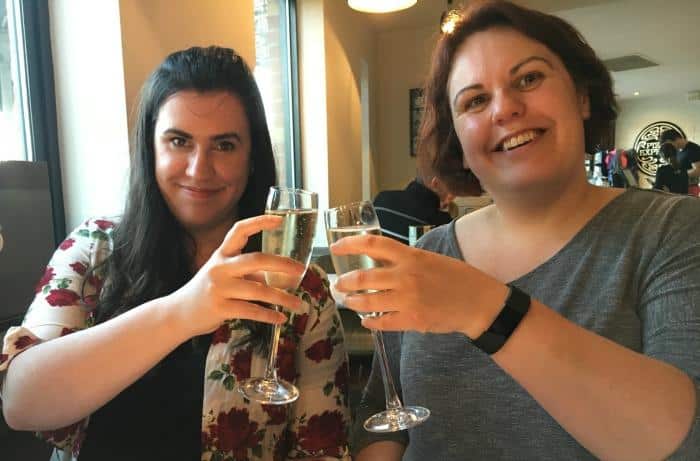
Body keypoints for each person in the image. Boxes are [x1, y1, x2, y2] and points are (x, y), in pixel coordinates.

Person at [330, 2, 700, 460]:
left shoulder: (671, 230)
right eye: (475, 100)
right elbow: (383, 413)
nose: (505, 109)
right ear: (460, 146)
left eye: (528, 79)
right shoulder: (430, 252)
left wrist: (484, 307)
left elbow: (687, 440)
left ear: (582, 96)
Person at [0, 46, 350, 461]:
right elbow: (22, 403)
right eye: (179, 141)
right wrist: (185, 310)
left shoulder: (299, 285)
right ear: (150, 149)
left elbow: (323, 450)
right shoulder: (94, 249)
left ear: (252, 158)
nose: (199, 169)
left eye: (224, 145)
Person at [373, 168, 455, 243]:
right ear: (436, 184)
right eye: (452, 188)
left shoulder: (381, 199)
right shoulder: (443, 224)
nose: (453, 197)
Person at [659, 129, 700, 196]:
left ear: (669, 141)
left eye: (668, 144)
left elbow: (698, 170)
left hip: (690, 188)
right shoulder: (677, 151)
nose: (669, 148)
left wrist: (677, 175)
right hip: (679, 188)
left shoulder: (693, 149)